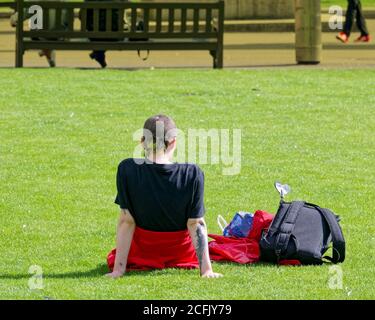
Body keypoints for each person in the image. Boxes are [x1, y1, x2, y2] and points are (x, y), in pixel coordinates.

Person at [106, 115, 222, 279]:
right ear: (173, 141)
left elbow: (127, 221)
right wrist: (206, 270)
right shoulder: (192, 173)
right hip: (182, 255)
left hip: (142, 254)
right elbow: (195, 223)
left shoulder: (127, 169)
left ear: (142, 141)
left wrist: (118, 270)